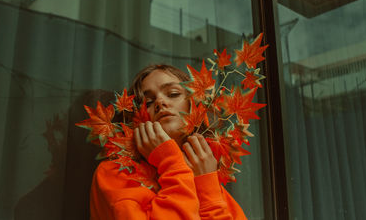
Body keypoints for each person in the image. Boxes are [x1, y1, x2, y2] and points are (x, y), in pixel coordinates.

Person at [90, 64, 248, 220]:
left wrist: (208, 187)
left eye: (173, 94)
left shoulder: (207, 179)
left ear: (195, 105)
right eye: (148, 102)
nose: (160, 102)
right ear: (135, 118)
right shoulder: (116, 174)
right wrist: (170, 162)